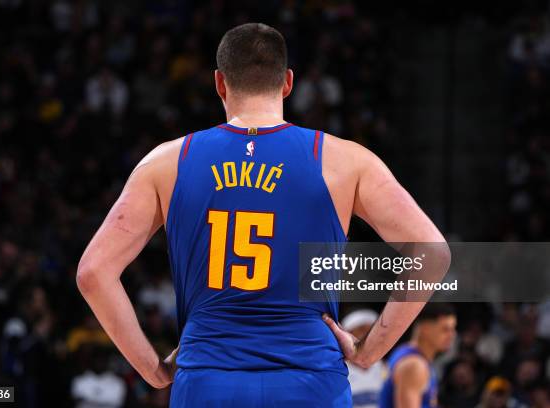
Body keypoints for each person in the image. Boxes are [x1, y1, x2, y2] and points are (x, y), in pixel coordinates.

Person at [76, 23, 450, 407]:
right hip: (311, 379)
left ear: (220, 83)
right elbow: (433, 253)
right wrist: (370, 352)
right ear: (287, 82)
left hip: (209, 379)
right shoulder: (345, 160)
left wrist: (153, 370)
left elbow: (93, 273)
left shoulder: (167, 162)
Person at [379, 303, 457, 408]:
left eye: (453, 329)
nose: (451, 335)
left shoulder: (407, 353)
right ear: (425, 328)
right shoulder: (414, 365)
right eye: (445, 329)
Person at [342, 310, 386, 408]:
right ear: (349, 333)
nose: (367, 335)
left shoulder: (382, 367)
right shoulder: (339, 368)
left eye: (371, 330)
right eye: (362, 329)